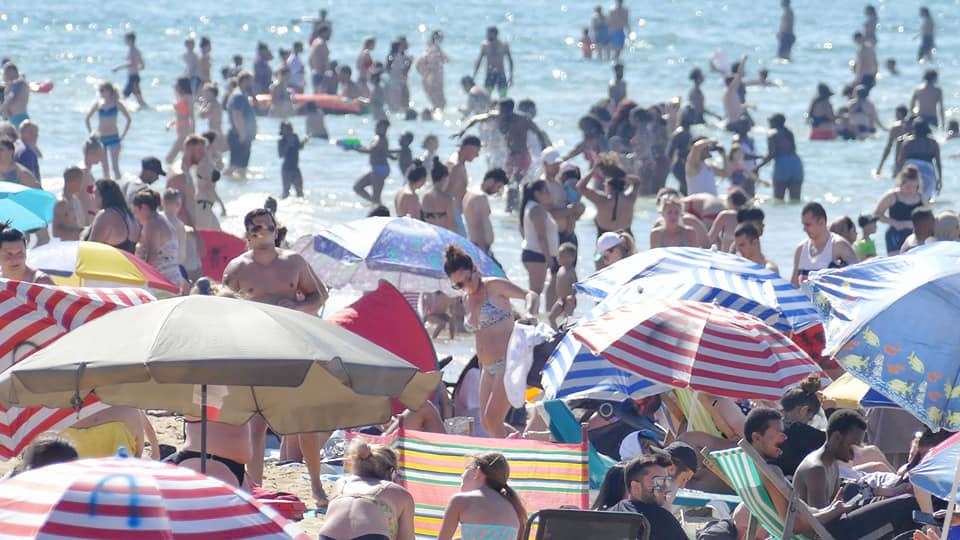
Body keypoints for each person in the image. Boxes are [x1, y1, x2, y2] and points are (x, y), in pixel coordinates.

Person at [223, 208, 329, 504]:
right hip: (255, 350)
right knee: (256, 424)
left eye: (268, 226)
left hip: (292, 346)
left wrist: (296, 308)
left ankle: (317, 486)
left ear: (274, 228)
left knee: (304, 419)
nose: (264, 231)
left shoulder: (293, 262)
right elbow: (221, 310)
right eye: (257, 227)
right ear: (248, 234)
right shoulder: (237, 268)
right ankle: (256, 489)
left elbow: (319, 295)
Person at [444, 246, 537, 438]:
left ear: (475, 269)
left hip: (507, 362)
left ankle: (513, 457)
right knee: (487, 423)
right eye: (459, 285)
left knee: (493, 420)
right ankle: (520, 444)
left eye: (468, 279)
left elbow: (531, 295)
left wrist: (529, 313)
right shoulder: (466, 299)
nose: (467, 286)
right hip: (486, 368)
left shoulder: (493, 286)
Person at [793, 409, 920, 539]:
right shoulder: (816, 469)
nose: (854, 454)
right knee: (906, 505)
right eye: (852, 446)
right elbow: (816, 527)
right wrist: (840, 509)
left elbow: (836, 502)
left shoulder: (830, 462)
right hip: (832, 534)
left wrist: (884, 493)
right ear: (837, 437)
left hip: (838, 521)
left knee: (900, 500)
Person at [320, 440, 415, 540]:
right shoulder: (398, 492)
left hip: (328, 536)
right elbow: (406, 537)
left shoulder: (341, 483)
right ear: (391, 471)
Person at [457, 99, 550, 186]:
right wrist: (463, 130)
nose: (502, 113)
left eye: (504, 111)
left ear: (511, 109)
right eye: (500, 110)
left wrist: (544, 149)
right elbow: (476, 119)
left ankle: (517, 200)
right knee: (507, 182)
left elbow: (539, 133)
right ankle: (509, 201)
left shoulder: (523, 120)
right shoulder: (498, 116)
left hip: (523, 156)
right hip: (510, 156)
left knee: (516, 182)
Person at [437, 452, 526, 540]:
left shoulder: (460, 501)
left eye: (463, 479)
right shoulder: (514, 507)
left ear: (478, 472)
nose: (461, 484)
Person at [608, 453, 687, 540]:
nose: (665, 487)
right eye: (659, 481)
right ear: (635, 486)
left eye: (666, 481)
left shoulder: (607, 516)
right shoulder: (661, 518)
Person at [791, 202, 858, 286]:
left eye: (808, 225)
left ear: (822, 222)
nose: (804, 229)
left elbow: (858, 277)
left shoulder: (839, 246)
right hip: (806, 298)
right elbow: (793, 285)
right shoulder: (800, 249)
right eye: (803, 225)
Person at [131, 189, 183, 290]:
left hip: (163, 281)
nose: (135, 216)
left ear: (144, 208)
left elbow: (152, 256)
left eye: (136, 211)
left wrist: (142, 280)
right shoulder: (161, 219)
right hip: (172, 277)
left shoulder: (152, 224)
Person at [519, 180, 558, 308]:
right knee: (535, 292)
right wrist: (549, 259)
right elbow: (541, 236)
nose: (549, 194)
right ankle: (529, 319)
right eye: (545, 191)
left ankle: (530, 317)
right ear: (537, 193)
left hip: (534, 253)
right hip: (537, 254)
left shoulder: (532, 207)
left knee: (535, 291)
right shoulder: (536, 209)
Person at [874, 165, 926, 255]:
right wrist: (895, 223)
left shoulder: (921, 198)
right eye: (908, 186)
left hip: (915, 235)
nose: (911, 190)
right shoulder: (892, 196)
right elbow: (876, 214)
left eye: (914, 186)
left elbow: (928, 219)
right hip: (895, 234)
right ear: (901, 183)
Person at [85, 82, 131, 180]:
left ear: (109, 91)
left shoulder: (117, 104)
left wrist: (123, 135)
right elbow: (87, 119)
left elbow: (128, 119)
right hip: (101, 139)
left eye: (102, 90)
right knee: (105, 168)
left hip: (114, 137)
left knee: (115, 167)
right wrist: (91, 133)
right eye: (100, 90)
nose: (100, 92)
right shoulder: (98, 104)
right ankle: (106, 191)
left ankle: (119, 188)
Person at [756, 113, 804, 201]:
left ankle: (779, 215)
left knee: (778, 199)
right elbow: (793, 148)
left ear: (774, 123)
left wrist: (758, 167)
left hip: (782, 165)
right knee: (795, 200)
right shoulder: (789, 132)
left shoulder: (772, 134)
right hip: (796, 164)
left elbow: (772, 154)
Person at [463, 168, 508, 260]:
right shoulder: (481, 198)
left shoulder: (469, 193)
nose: (497, 191)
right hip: (480, 248)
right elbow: (481, 226)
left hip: (473, 244)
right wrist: (484, 254)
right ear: (491, 181)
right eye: (498, 186)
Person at [85, 179, 140, 254]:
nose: (92, 197)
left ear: (103, 195)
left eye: (94, 193)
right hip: (127, 264)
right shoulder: (130, 216)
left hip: (107, 264)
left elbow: (90, 250)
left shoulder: (105, 215)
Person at [896, 118, 942, 200]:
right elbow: (938, 163)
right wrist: (940, 179)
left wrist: (898, 177)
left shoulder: (908, 143)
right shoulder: (933, 143)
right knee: (926, 199)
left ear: (914, 129)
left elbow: (900, 162)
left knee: (908, 198)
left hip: (911, 170)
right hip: (928, 172)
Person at [446, 136, 482, 236]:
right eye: (477, 151)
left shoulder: (458, 162)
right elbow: (447, 193)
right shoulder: (456, 165)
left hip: (454, 213)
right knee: (462, 247)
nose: (477, 155)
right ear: (469, 148)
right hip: (453, 214)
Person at [352, 119, 393, 206]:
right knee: (357, 187)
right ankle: (375, 204)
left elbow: (371, 149)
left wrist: (356, 148)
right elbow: (383, 152)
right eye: (379, 127)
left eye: (383, 128)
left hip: (379, 169)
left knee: (376, 197)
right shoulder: (383, 139)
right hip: (379, 169)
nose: (381, 129)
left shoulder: (379, 138)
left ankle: (378, 208)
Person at [225, 72, 257, 180]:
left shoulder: (242, 95)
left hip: (242, 136)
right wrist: (242, 134)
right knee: (234, 167)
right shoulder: (238, 96)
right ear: (244, 81)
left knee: (242, 168)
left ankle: (239, 189)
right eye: (250, 81)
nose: (252, 84)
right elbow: (237, 115)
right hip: (239, 136)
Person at [474, 27, 513, 98]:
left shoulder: (504, 45)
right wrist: (474, 75)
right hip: (489, 73)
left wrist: (511, 76)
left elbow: (510, 61)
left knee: (503, 97)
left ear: (495, 34)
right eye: (487, 34)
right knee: (486, 97)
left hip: (501, 74)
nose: (487, 36)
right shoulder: (484, 45)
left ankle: (503, 108)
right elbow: (479, 61)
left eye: (488, 34)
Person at [421, 157, 457, 232]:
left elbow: (423, 221)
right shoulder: (447, 199)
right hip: (444, 237)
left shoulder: (425, 197)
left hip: (430, 236)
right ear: (444, 178)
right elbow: (452, 225)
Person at [548, 243, 578, 330]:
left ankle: (565, 335)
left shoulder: (571, 271)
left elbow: (575, 285)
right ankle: (556, 333)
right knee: (551, 317)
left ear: (571, 258)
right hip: (560, 299)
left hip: (569, 300)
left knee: (567, 320)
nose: (558, 258)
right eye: (558, 255)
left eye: (562, 256)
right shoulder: (561, 269)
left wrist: (572, 296)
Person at [114, 32, 147, 108]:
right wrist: (137, 68)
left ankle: (117, 108)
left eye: (126, 39)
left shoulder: (132, 50)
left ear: (130, 40)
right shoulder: (137, 50)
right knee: (139, 98)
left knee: (124, 95)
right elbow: (142, 65)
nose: (125, 41)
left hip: (132, 77)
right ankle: (148, 110)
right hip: (135, 76)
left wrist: (118, 68)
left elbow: (130, 64)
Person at [417, 30, 448, 112]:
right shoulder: (434, 49)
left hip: (431, 79)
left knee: (438, 104)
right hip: (433, 80)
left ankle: (433, 121)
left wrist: (424, 74)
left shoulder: (431, 48)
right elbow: (444, 60)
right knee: (440, 104)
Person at [52, 166, 86, 241]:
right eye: (80, 181)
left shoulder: (75, 200)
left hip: (78, 244)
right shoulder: (61, 203)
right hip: (67, 247)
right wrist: (80, 232)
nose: (82, 184)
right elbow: (56, 232)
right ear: (71, 182)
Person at [165, 77, 194, 164]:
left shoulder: (188, 98)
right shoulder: (180, 97)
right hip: (179, 128)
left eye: (177, 84)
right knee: (185, 156)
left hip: (185, 130)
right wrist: (170, 124)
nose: (175, 86)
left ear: (181, 86)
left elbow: (191, 116)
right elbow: (179, 115)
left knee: (169, 158)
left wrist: (193, 131)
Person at [875, 105, 910, 177]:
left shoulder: (896, 127)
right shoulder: (912, 126)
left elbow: (888, 148)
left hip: (899, 162)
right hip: (911, 161)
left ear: (899, 114)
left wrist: (880, 167)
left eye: (896, 113)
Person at [76, 136, 104, 224]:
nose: (101, 157)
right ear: (91, 153)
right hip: (83, 215)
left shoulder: (87, 170)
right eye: (99, 154)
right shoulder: (83, 171)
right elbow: (77, 196)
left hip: (87, 214)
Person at [277, 121, 305, 199]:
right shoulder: (281, 141)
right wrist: (288, 144)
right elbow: (280, 155)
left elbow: (299, 147)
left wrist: (304, 142)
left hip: (295, 168)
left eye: (289, 129)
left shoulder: (295, 137)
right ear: (282, 131)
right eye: (286, 130)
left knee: (300, 193)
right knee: (286, 193)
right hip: (286, 170)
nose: (288, 132)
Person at [0, 63, 29, 128]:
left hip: (20, 118)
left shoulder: (19, 83)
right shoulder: (12, 85)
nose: (4, 75)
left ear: (12, 72)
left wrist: (1, 109)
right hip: (13, 119)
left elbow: (11, 97)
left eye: (6, 73)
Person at [309, 26, 332, 93]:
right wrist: (326, 74)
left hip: (315, 72)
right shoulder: (321, 43)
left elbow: (310, 59)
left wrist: (313, 69)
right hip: (321, 74)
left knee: (316, 94)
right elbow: (324, 60)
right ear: (323, 33)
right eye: (328, 33)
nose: (330, 35)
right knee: (321, 94)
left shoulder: (315, 42)